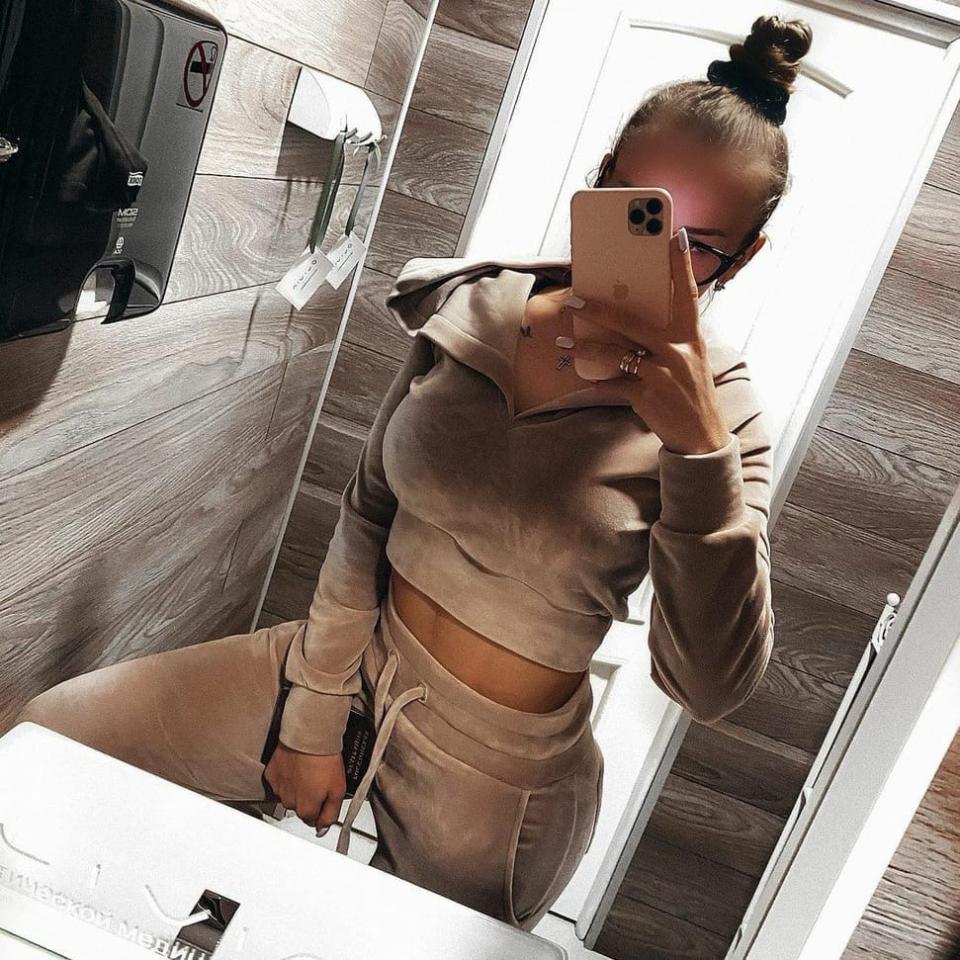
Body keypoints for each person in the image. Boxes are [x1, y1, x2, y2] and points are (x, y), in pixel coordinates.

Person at [14, 14, 812, 932]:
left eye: (699, 244)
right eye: (641, 214)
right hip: (351, 659)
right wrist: (314, 712)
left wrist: (698, 451)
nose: (660, 261)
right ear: (599, 182)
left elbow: (709, 685)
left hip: (502, 781)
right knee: (57, 742)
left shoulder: (724, 414)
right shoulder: (474, 303)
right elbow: (369, 510)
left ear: (746, 255)